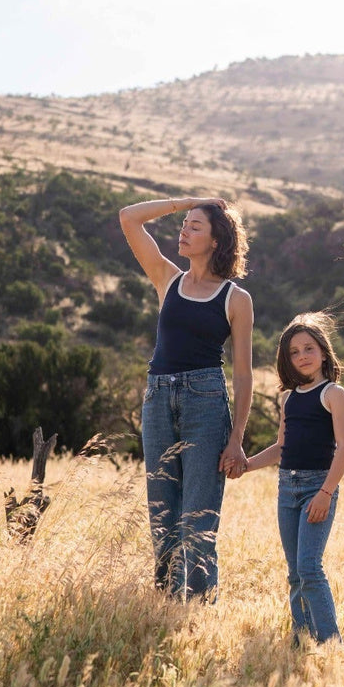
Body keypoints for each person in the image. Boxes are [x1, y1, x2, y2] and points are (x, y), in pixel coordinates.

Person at [118, 196, 253, 601]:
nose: (184, 231)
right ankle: (165, 603)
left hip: (205, 402)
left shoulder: (236, 299)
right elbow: (129, 218)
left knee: (198, 515)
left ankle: (197, 610)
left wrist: (237, 438)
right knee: (162, 513)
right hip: (158, 398)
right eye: (184, 224)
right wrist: (190, 203)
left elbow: (243, 374)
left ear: (216, 241)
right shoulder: (167, 279)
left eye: (196, 226)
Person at [243, 313, 344, 645]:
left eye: (308, 348)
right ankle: (301, 638)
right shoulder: (288, 398)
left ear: (323, 352)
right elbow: (281, 447)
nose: (302, 356)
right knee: (294, 572)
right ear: (286, 359)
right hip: (286, 488)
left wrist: (325, 493)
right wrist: (246, 465)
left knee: (309, 568)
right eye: (294, 352)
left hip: (317, 487)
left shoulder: (333, 394)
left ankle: (330, 643)